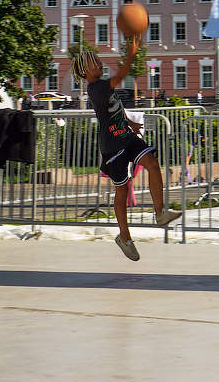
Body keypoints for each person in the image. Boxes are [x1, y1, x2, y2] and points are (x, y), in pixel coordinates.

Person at [71, 40, 181, 261]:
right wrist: (131, 54)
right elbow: (120, 77)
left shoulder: (102, 87)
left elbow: (112, 109)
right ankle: (124, 237)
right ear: (85, 71)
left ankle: (160, 213)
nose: (100, 63)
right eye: (94, 62)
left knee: (151, 162)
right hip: (112, 147)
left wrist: (129, 123)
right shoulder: (96, 88)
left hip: (126, 137)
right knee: (122, 191)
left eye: (98, 60)